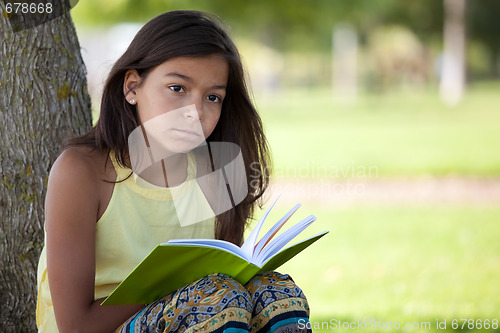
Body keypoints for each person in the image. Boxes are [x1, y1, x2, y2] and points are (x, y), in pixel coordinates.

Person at [36, 10, 311, 333]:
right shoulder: (83, 172)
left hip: (199, 314)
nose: (195, 112)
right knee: (215, 299)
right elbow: (75, 326)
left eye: (212, 97)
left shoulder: (217, 173)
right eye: (178, 88)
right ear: (132, 87)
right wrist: (178, 289)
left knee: (277, 294)